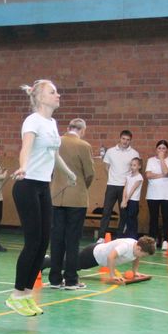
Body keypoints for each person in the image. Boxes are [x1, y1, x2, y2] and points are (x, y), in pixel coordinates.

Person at [6, 79, 76, 317]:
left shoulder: (53, 123)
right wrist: (23, 166)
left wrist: (68, 173)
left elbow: (54, 153)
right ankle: (16, 294)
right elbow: (25, 147)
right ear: (40, 97)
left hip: (43, 186)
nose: (57, 95)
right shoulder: (32, 121)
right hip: (26, 185)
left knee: (43, 241)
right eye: (52, 91)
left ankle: (27, 294)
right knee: (33, 241)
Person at [47, 118, 95, 289]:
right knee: (72, 240)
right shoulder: (84, 146)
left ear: (68, 128)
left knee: (56, 238)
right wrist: (82, 187)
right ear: (82, 130)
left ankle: (54, 279)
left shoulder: (56, 142)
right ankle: (71, 280)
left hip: (56, 197)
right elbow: (89, 173)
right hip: (76, 199)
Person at [56, 235, 155, 284]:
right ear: (139, 248)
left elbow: (136, 257)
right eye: (144, 254)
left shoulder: (137, 248)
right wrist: (112, 276)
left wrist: (135, 272)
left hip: (98, 253)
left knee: (70, 264)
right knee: (69, 265)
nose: (142, 257)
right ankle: (46, 261)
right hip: (93, 254)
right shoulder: (126, 246)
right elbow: (111, 256)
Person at [98, 129, 139, 240]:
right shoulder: (111, 151)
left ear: (130, 140)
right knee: (106, 211)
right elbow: (106, 167)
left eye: (128, 140)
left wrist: (127, 181)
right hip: (111, 185)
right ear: (120, 138)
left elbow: (136, 169)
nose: (125, 141)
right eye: (123, 139)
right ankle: (101, 237)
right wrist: (112, 177)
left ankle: (119, 236)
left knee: (123, 213)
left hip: (125, 186)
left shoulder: (134, 153)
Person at [145, 140, 168, 250]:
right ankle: (152, 240)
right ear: (156, 149)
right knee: (153, 218)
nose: (161, 150)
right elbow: (148, 175)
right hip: (152, 194)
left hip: (166, 195)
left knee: (166, 217)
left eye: (163, 148)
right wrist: (161, 175)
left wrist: (162, 159)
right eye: (159, 148)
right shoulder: (150, 160)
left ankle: (166, 240)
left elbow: (167, 172)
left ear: (167, 150)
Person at [120, 157, 143, 239]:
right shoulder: (128, 176)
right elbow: (125, 188)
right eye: (131, 165)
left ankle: (133, 237)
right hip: (127, 200)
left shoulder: (139, 177)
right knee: (126, 218)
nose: (132, 167)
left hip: (133, 201)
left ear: (139, 166)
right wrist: (123, 200)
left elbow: (132, 190)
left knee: (132, 218)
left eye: (134, 165)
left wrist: (126, 200)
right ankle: (126, 235)